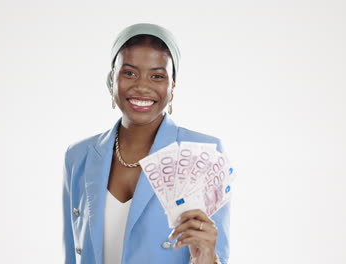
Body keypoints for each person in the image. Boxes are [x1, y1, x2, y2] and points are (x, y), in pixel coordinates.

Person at [63, 23, 231, 264]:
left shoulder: (203, 154)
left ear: (172, 86)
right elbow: (72, 253)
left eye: (157, 76)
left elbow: (217, 255)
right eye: (129, 72)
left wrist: (207, 258)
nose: (142, 86)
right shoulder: (78, 156)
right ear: (112, 80)